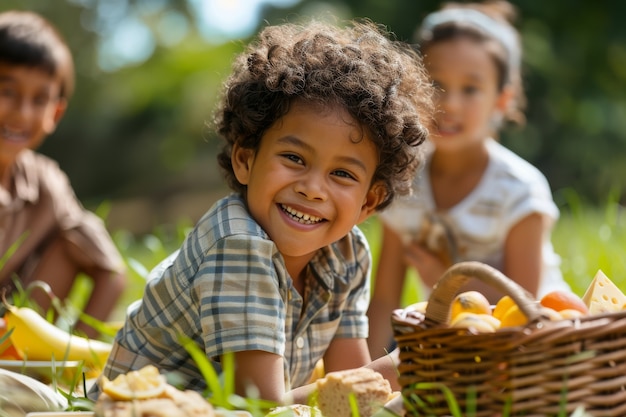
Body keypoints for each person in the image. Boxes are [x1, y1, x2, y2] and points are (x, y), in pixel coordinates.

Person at [90, 18, 434, 405]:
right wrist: (403, 367)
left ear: (368, 202)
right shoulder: (239, 245)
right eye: (294, 157)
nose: (312, 188)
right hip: (136, 409)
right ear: (244, 161)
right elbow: (261, 406)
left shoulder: (347, 253)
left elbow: (350, 389)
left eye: (341, 173)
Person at [367, 0, 572, 358]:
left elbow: (522, 304)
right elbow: (385, 298)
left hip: (528, 342)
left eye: (471, 89)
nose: (451, 104)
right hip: (455, 336)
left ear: (502, 100)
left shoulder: (519, 189)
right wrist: (358, 373)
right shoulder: (405, 181)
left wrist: (444, 274)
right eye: (436, 84)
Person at [0, 11, 127, 338]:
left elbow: (111, 270)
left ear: (55, 113)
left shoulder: (46, 183)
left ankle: (45, 369)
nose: (21, 112)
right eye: (7, 92)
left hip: (13, 345)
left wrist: (75, 355)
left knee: (76, 241)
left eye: (39, 99)